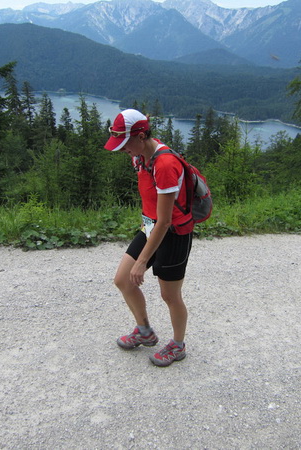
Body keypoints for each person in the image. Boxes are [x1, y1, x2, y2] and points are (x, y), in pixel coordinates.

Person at [104, 109, 194, 367]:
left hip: (174, 233)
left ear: (141, 136)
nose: (122, 149)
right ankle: (145, 331)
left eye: (125, 143)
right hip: (150, 226)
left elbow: (165, 221)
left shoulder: (164, 165)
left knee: (170, 296)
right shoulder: (140, 156)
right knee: (123, 280)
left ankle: (178, 346)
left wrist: (142, 261)